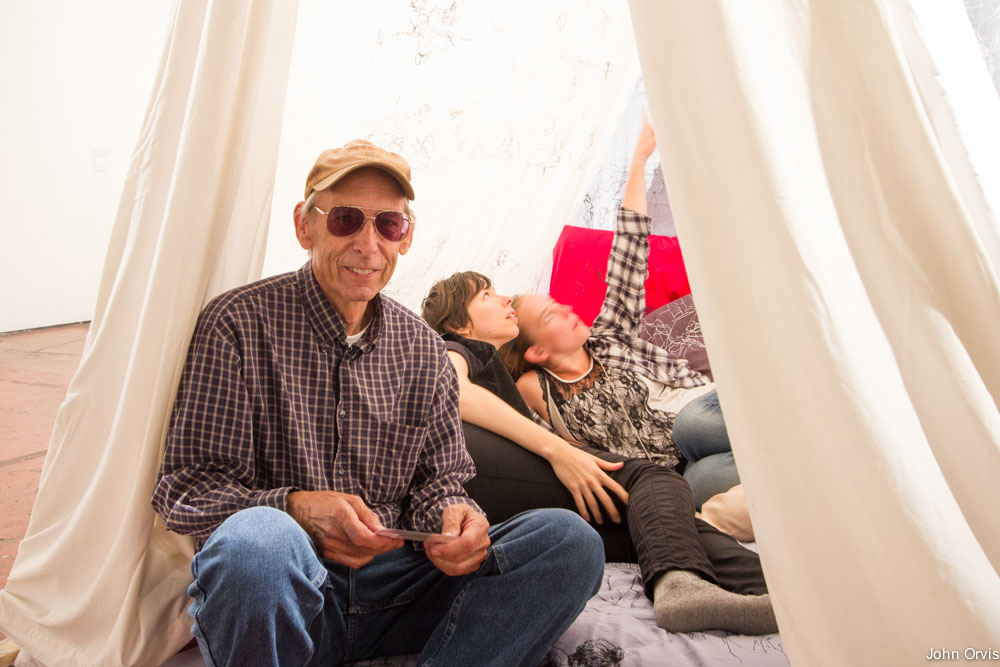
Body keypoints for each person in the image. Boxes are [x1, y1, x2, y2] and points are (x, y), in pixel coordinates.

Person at [151, 139, 605, 667]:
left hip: (403, 591)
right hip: (293, 592)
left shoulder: (424, 348)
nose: (368, 245)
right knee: (258, 543)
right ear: (304, 225)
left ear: (405, 237)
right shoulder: (237, 323)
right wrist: (296, 509)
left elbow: (439, 484)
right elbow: (188, 490)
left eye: (389, 224)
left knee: (568, 541)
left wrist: (458, 522)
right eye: (345, 219)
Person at [421, 271, 777, 635]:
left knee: (652, 523)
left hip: (505, 496)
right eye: (486, 295)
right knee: (648, 476)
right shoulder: (456, 347)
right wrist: (559, 451)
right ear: (459, 325)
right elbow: (457, 393)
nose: (505, 299)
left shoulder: (495, 368)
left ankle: (777, 595)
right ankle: (684, 587)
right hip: (476, 478)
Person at [501, 119, 746, 521]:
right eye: (550, 315)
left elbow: (629, 251)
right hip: (673, 477)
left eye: (557, 303)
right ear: (537, 351)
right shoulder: (536, 393)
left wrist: (638, 162)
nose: (567, 309)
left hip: (698, 417)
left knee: (691, 425)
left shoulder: (609, 335)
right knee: (706, 481)